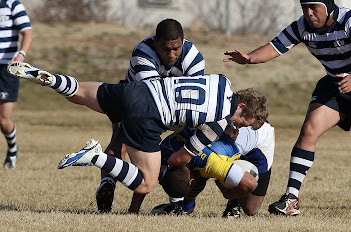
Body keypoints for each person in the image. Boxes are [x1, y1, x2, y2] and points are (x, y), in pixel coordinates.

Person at [7, 61, 269, 211]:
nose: (238, 126)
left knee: (78, 94)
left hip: (138, 90)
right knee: (146, 183)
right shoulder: (217, 122)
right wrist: (186, 173)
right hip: (149, 116)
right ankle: (96, 157)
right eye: (243, 122)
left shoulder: (221, 80)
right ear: (241, 107)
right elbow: (179, 158)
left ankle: (47, 78)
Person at [224, 0, 351, 217]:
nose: (308, 13)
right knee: (309, 129)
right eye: (304, 8)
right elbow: (276, 46)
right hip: (337, 84)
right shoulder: (302, 26)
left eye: (314, 7)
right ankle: (291, 199)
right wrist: (250, 58)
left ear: (328, 6)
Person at [97, 18, 205, 213]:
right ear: (155, 42)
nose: (171, 55)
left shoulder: (194, 58)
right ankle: (115, 191)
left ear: (183, 41)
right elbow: (154, 96)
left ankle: (111, 183)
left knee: (121, 144)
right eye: (165, 49)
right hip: (136, 103)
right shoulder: (143, 52)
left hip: (167, 109)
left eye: (176, 49)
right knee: (135, 150)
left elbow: (194, 98)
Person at [147, 121, 274, 218]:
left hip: (258, 133)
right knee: (201, 172)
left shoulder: (212, 163)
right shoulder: (165, 151)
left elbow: (250, 183)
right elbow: (151, 180)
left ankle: (234, 204)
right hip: (225, 135)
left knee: (251, 209)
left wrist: (228, 194)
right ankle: (184, 208)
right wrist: (133, 209)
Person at [0, 0, 32, 168]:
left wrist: (21, 54)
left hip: (6, 69)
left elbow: (27, 32)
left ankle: (12, 149)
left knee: (3, 120)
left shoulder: (12, 5)